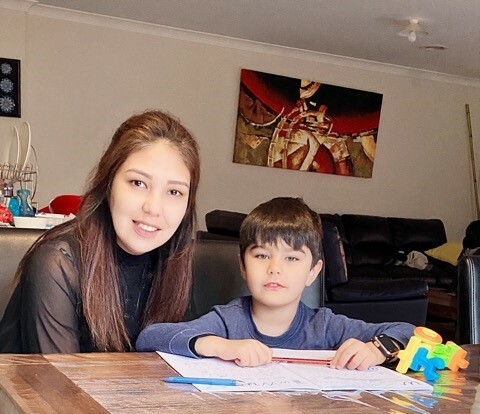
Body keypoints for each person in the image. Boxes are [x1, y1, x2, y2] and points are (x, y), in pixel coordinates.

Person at [0, 110, 200, 353]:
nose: (153, 208)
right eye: (138, 183)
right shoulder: (57, 262)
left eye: (174, 192)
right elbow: (60, 385)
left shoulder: (174, 261)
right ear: (108, 183)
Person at [136, 197, 414, 370]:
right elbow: (150, 337)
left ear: (313, 272)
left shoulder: (326, 326)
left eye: (292, 258)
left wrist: (376, 350)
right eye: (261, 255)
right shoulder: (227, 321)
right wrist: (221, 346)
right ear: (243, 266)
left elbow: (408, 331)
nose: (275, 269)